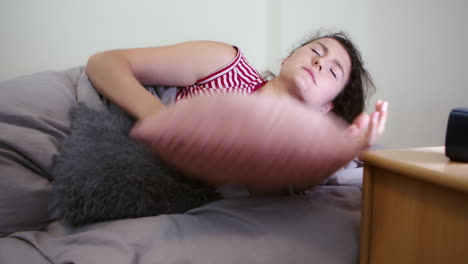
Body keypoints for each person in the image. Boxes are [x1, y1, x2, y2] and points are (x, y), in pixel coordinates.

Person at [85, 31, 387, 168]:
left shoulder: (300, 146)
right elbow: (104, 63)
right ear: (286, 59)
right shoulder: (226, 63)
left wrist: (339, 154)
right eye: (316, 51)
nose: (320, 63)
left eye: (333, 72)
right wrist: (156, 115)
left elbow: (295, 182)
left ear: (326, 107)